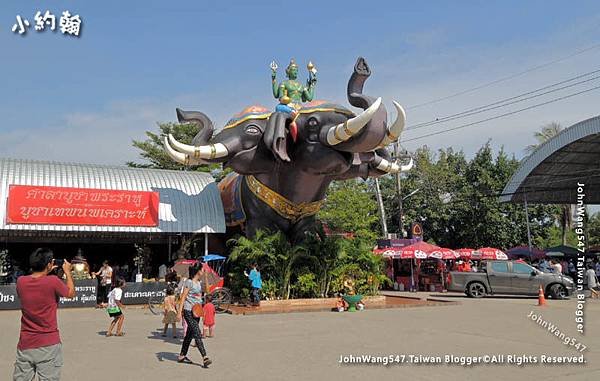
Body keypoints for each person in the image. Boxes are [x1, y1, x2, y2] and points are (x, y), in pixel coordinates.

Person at [13, 248, 75, 381]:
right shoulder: (53, 281)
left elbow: (36, 284)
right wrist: (68, 273)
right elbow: (71, 293)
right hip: (48, 344)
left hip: (26, 343)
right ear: (48, 265)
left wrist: (47, 270)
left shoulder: (21, 282)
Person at [177, 265, 211, 367]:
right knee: (197, 332)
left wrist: (205, 277)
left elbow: (208, 291)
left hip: (197, 311)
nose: (203, 271)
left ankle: (182, 355)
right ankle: (205, 357)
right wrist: (179, 312)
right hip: (188, 310)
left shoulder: (200, 283)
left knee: (189, 334)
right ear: (197, 271)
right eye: (201, 270)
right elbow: (183, 297)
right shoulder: (189, 282)